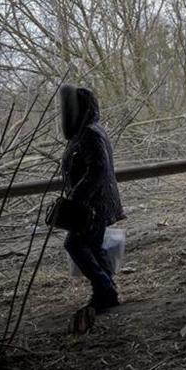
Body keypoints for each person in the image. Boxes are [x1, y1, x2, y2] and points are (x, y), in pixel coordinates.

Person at [60, 84, 125, 312]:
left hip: (93, 205)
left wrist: (75, 200)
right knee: (94, 247)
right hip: (94, 203)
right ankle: (106, 293)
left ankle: (105, 289)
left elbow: (97, 170)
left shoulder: (89, 133)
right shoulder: (87, 131)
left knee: (75, 244)